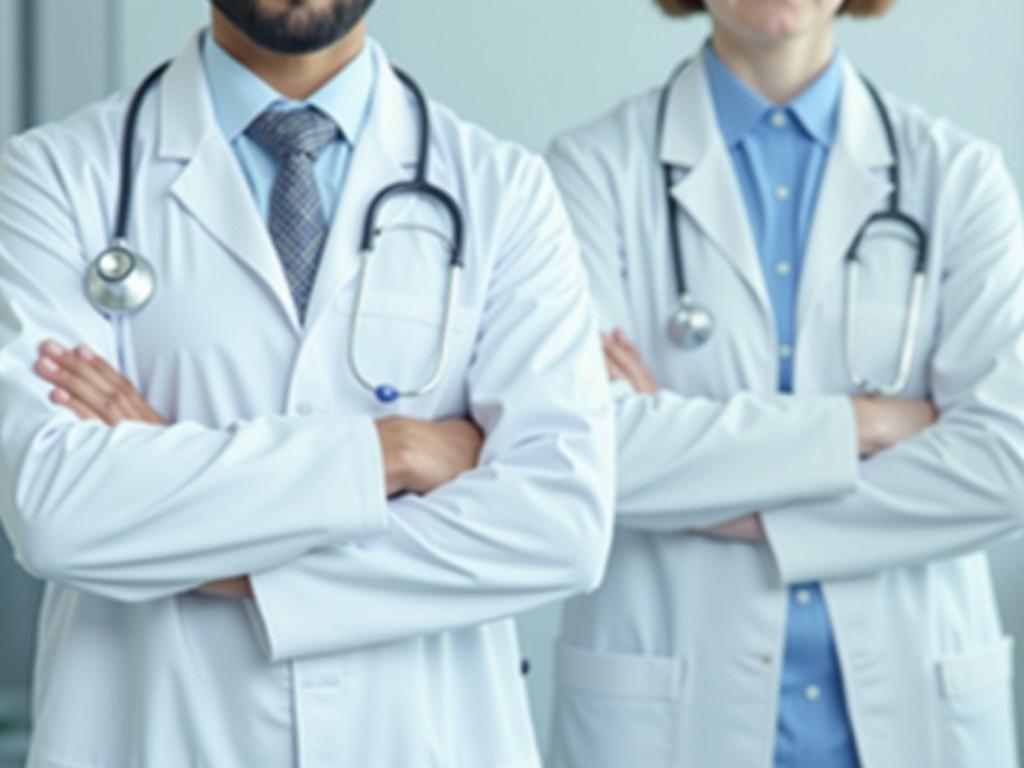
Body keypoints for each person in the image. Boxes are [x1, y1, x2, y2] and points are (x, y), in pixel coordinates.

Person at [0, 1, 615, 766]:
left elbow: (561, 527)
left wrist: (206, 538)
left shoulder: (503, 190)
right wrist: (386, 455)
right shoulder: (56, 178)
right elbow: (60, 510)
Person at [545, 1, 1024, 766]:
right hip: (669, 714)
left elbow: (1005, 462)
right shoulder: (594, 171)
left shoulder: (959, 178)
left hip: (914, 707)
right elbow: (593, 450)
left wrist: (731, 502)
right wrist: (867, 423)